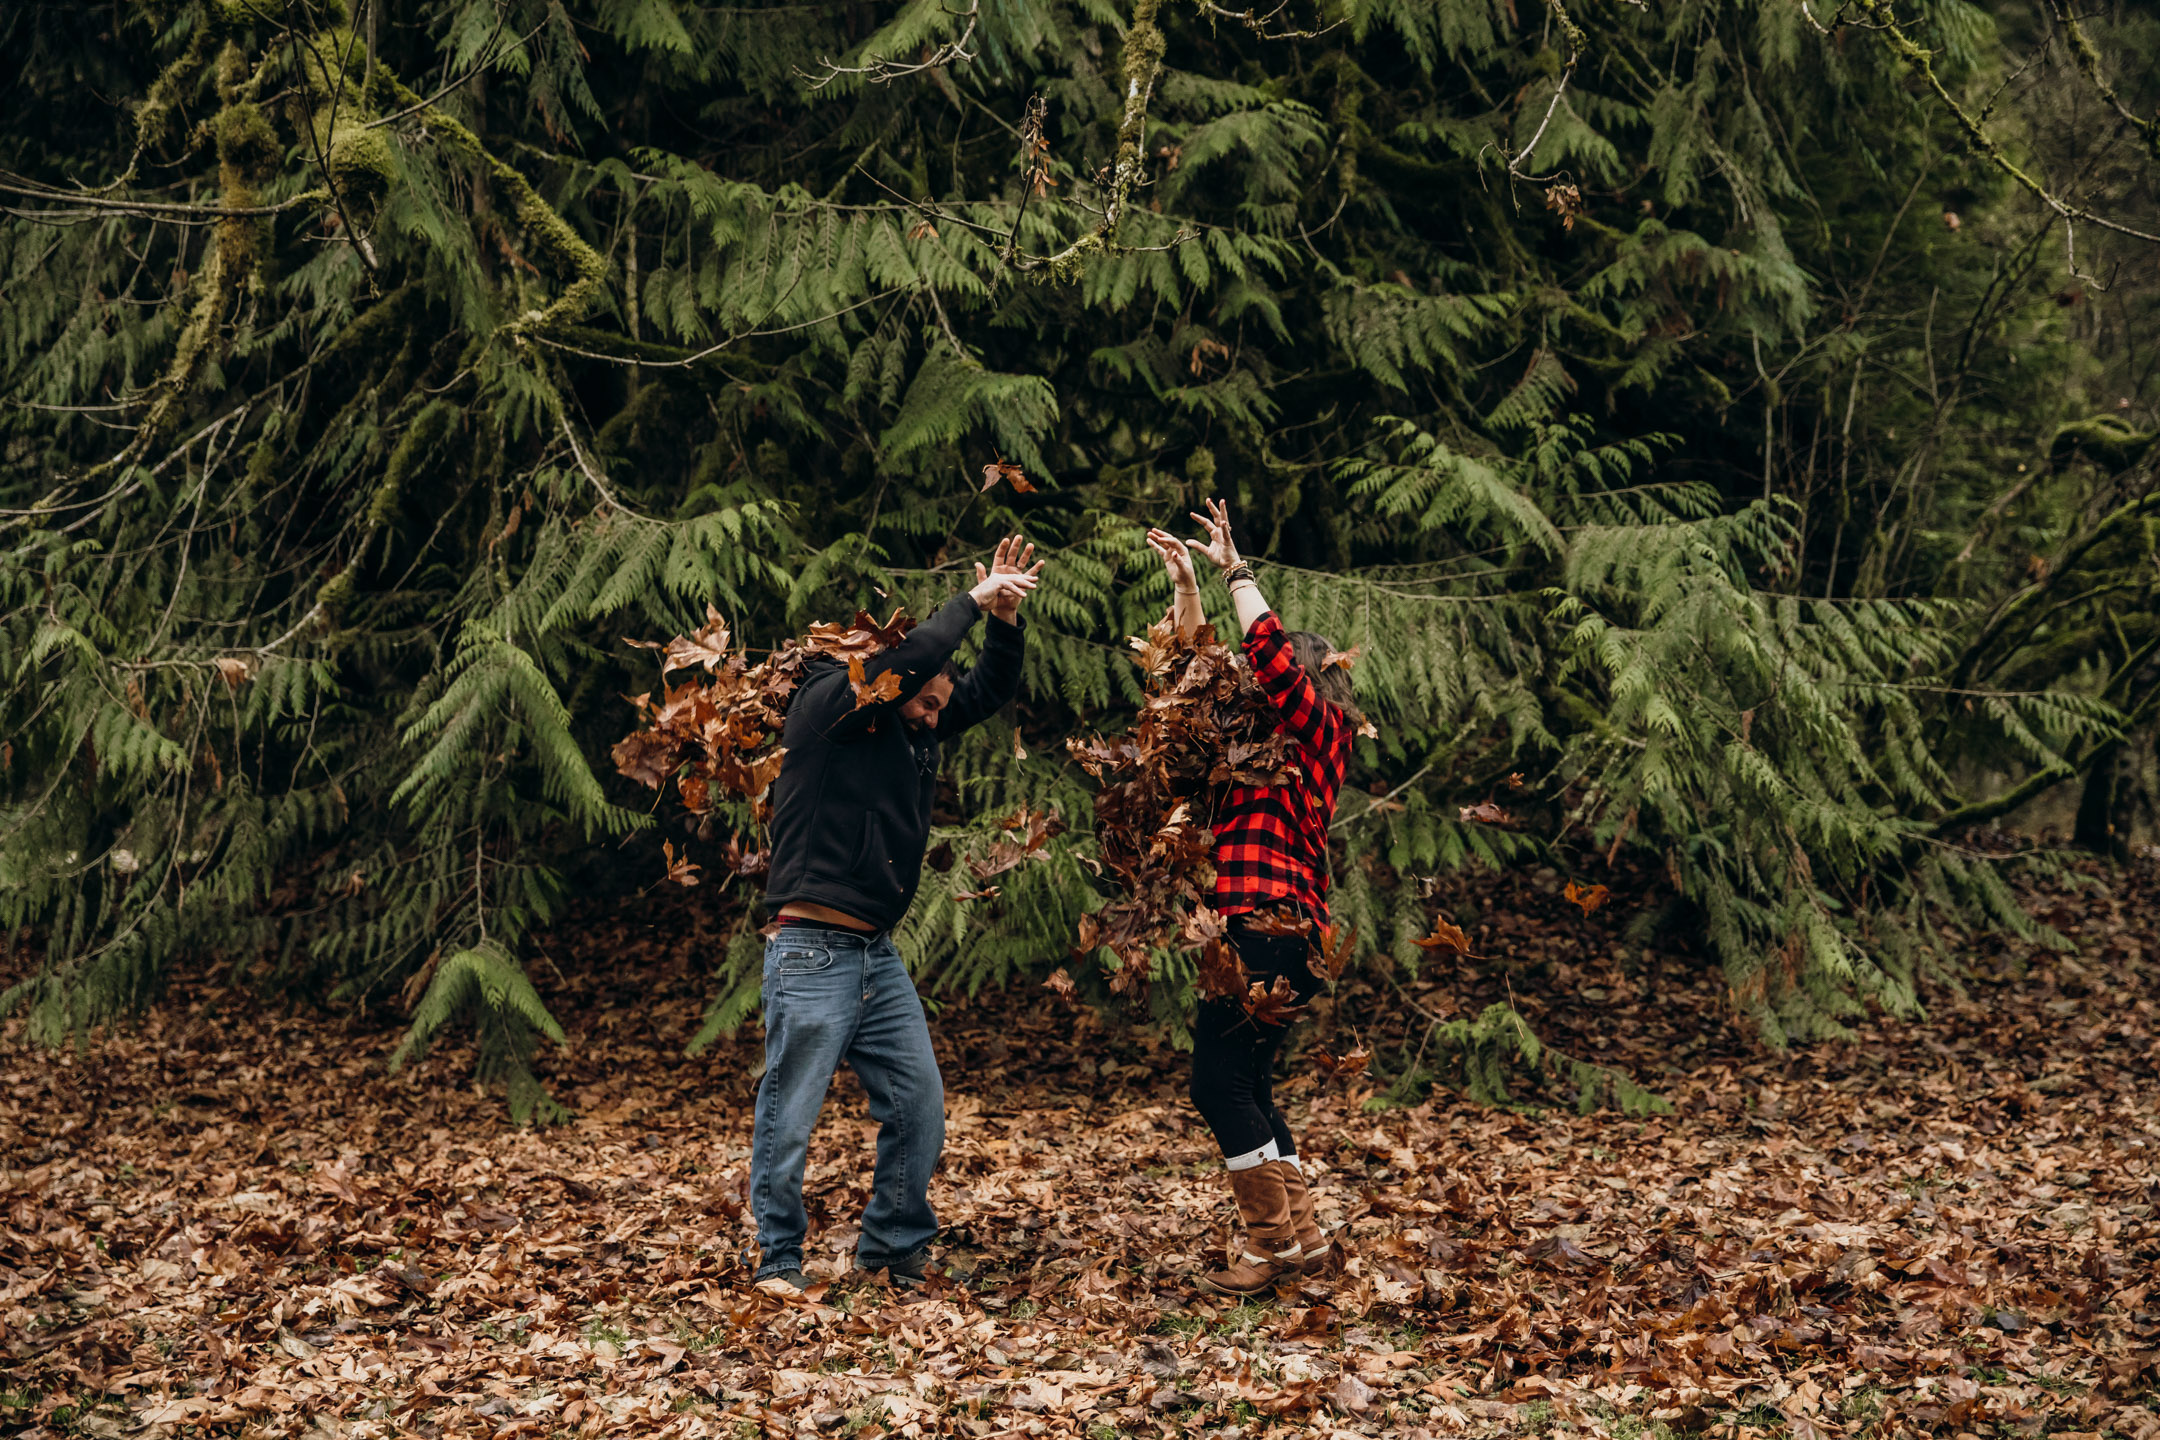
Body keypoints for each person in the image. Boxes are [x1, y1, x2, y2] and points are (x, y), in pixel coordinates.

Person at [750, 536, 1043, 1292]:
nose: (934, 716)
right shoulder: (829, 709)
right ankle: (780, 1260)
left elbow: (985, 691)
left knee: (919, 1106)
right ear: (887, 678)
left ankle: (891, 1250)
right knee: (790, 1112)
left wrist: (1005, 622)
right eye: (925, 698)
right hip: (811, 948)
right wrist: (968, 604)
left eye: (938, 707)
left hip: (875, 955)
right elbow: (908, 668)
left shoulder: (910, 723)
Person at [1144, 499, 1358, 1296]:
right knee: (1249, 1086)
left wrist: (1237, 569)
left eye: (1277, 682)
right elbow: (1197, 680)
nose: (1260, 690)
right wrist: (1187, 586)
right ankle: (1300, 1244)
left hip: (1270, 928)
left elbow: (1263, 654)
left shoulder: (1321, 731)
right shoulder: (1259, 747)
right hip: (1267, 934)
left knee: (1216, 1084)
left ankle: (1270, 1248)